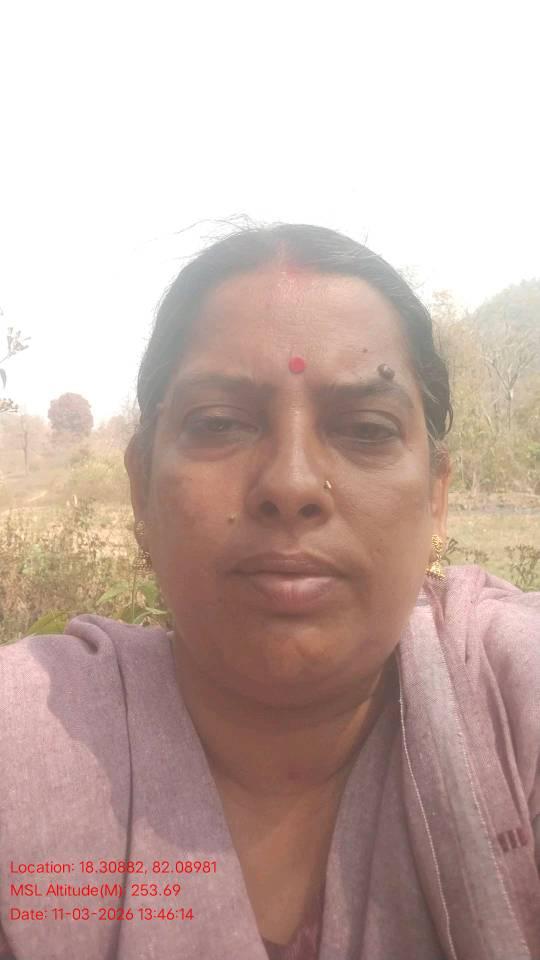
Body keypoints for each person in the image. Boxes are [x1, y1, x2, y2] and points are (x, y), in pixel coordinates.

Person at [1, 223, 539, 960]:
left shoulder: (511, 705)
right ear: (140, 487)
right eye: (220, 423)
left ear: (436, 501)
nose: (290, 484)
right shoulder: (31, 742)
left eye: (366, 429)